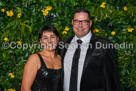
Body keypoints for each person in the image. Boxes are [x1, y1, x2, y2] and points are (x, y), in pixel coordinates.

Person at [59, 8, 121, 91]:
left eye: (84, 22)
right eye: (77, 21)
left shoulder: (104, 45)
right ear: (72, 22)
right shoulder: (63, 45)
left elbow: (112, 79)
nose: (80, 25)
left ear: (90, 23)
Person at [21, 25, 62, 91]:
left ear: (58, 39)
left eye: (52, 37)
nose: (49, 41)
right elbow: (24, 88)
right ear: (41, 41)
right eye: (45, 38)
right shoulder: (35, 58)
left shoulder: (60, 58)